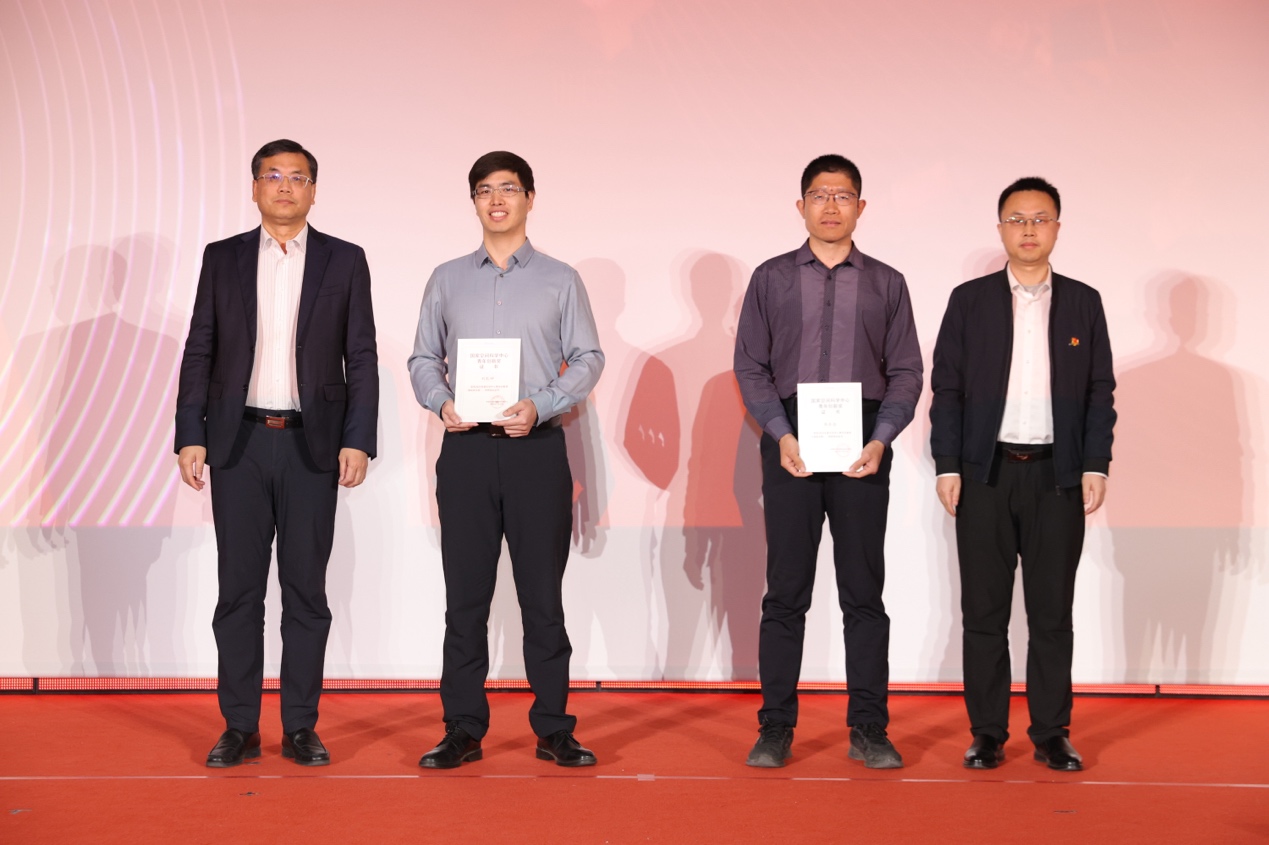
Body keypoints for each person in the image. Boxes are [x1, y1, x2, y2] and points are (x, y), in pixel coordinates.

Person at [175, 139, 379, 768]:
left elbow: (361, 356)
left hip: (311, 446)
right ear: (254, 188)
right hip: (236, 444)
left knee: (305, 592)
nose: (285, 186)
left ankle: (299, 726)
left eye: (297, 177)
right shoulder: (223, 257)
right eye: (272, 175)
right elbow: (200, 347)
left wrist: (358, 438)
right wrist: (190, 432)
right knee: (238, 592)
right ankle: (239, 725)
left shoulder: (345, 260)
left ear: (314, 190)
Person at [408, 151, 604, 769]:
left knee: (542, 598)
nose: (497, 200)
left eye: (509, 189)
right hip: (465, 451)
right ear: (473, 202)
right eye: (485, 190)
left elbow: (589, 357)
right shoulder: (446, 279)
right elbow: (422, 358)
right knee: (465, 601)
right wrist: (442, 402)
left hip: (535, 450)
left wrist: (542, 404)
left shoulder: (560, 279)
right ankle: (462, 728)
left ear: (530, 198)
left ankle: (554, 728)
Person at [733, 154, 922, 769]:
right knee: (786, 591)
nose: (831, 206)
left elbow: (906, 371)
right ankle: (775, 727)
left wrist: (882, 438)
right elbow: (751, 366)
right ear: (801, 206)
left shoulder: (888, 283)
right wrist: (780, 432)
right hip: (789, 440)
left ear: (861, 207)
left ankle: (869, 727)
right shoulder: (771, 278)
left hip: (862, 443)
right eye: (819, 195)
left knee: (863, 592)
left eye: (843, 196)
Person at [930, 177, 1115, 772]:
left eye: (1040, 218)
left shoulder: (1083, 301)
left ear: (1057, 227)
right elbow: (947, 389)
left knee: (1051, 613)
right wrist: (948, 465)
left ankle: (1051, 732)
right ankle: (987, 733)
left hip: (1057, 477)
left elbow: (1099, 391)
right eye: (1017, 219)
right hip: (984, 475)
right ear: (1000, 228)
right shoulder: (970, 301)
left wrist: (1094, 463)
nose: (1029, 229)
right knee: (983, 614)